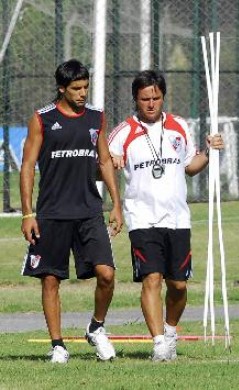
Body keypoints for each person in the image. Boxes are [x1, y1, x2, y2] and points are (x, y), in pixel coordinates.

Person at [108, 70, 224, 361]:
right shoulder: (123, 131)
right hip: (142, 217)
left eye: (156, 98)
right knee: (152, 279)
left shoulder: (178, 126)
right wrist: (112, 161)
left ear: (163, 97)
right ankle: (159, 343)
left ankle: (171, 331)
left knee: (179, 285)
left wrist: (208, 152)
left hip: (177, 218)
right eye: (145, 99)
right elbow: (101, 167)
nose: (151, 104)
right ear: (136, 99)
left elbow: (190, 165)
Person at [20, 59, 123, 363]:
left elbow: (104, 161)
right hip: (51, 213)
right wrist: (28, 213)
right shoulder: (42, 119)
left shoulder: (96, 117)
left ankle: (96, 328)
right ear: (61, 88)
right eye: (76, 89)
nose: (82, 94)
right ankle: (58, 345)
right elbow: (27, 166)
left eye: (85, 87)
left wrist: (116, 204)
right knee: (50, 280)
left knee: (106, 274)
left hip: (89, 211)